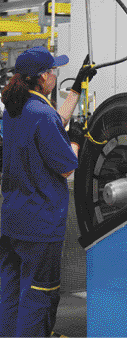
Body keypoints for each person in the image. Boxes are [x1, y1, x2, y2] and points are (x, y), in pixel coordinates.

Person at [0, 46, 97, 337]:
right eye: (53, 71)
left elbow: (55, 122)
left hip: (12, 220)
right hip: (40, 226)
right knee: (39, 295)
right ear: (43, 78)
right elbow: (67, 166)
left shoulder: (14, 111)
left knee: (10, 291)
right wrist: (77, 141)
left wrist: (77, 90)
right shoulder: (42, 114)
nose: (55, 75)